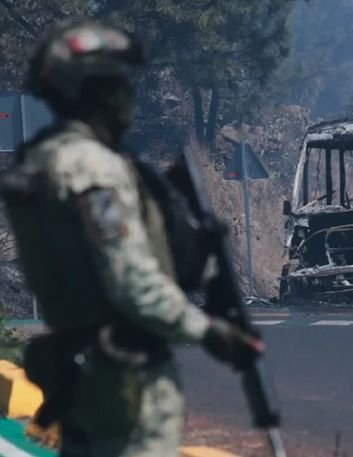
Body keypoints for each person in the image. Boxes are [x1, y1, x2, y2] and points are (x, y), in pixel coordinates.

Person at [0, 18, 260, 457]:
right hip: (123, 380)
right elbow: (131, 282)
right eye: (119, 84)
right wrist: (210, 331)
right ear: (95, 92)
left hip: (76, 372)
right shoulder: (94, 170)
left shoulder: (39, 163)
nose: (129, 97)